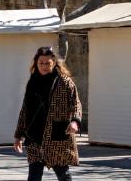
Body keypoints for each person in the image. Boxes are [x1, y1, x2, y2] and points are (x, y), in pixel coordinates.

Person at [13, 45, 82, 181]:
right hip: (34, 136)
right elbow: (25, 109)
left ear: (54, 63)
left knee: (63, 175)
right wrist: (18, 135)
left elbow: (76, 104)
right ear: (36, 63)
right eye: (41, 63)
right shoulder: (32, 82)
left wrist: (75, 121)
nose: (44, 66)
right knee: (34, 176)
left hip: (56, 136)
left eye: (47, 63)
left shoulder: (65, 82)